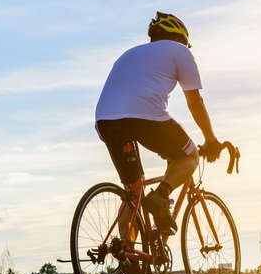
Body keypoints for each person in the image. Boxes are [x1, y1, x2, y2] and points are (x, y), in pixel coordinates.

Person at [94, 12, 221, 234]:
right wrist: (211, 139)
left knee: (132, 192)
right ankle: (161, 197)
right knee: (190, 155)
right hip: (144, 117)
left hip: (106, 120)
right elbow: (195, 101)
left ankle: (129, 259)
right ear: (181, 38)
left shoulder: (129, 54)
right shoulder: (180, 51)